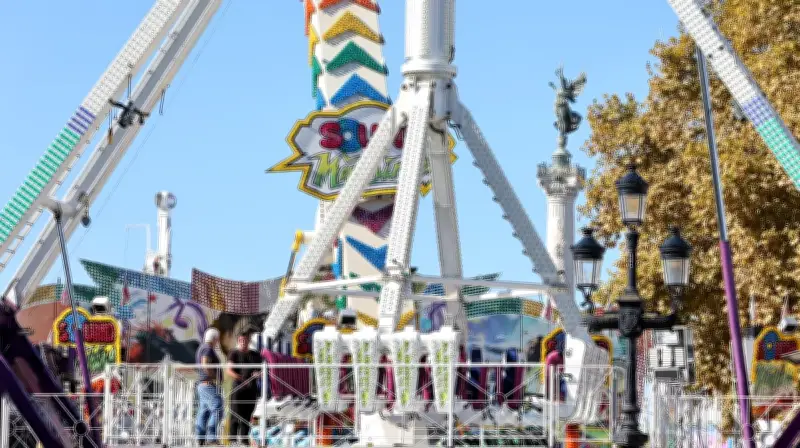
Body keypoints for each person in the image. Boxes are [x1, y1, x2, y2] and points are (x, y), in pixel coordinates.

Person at [226, 332, 262, 445]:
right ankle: (232, 439)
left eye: (245, 340)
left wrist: (258, 374)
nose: (243, 342)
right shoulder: (234, 353)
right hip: (238, 388)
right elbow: (229, 370)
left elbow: (261, 370)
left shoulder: (255, 355)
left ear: (249, 341)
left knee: (248, 414)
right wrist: (242, 379)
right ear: (238, 341)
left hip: (251, 389)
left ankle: (244, 439)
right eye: (241, 340)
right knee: (235, 413)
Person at [196, 328, 223, 445]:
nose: (218, 341)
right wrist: (214, 377)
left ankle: (200, 438)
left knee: (204, 411)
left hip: (202, 385)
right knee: (218, 408)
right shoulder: (207, 349)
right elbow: (205, 363)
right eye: (218, 339)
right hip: (208, 384)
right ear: (215, 338)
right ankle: (212, 437)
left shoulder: (202, 348)